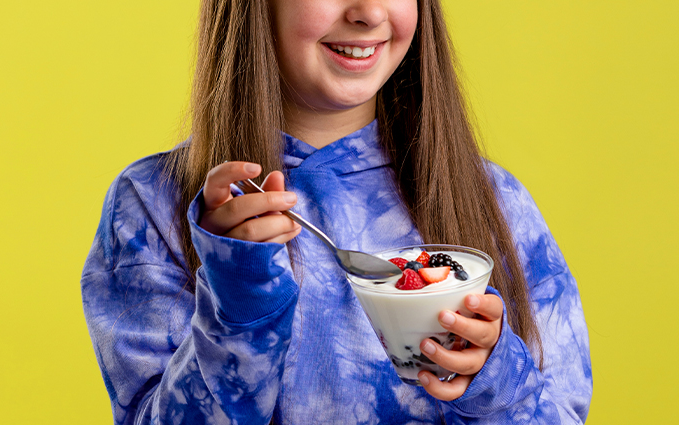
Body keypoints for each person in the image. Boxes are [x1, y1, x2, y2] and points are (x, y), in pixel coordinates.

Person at [81, 0, 592, 423]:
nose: (368, 12)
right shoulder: (154, 204)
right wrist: (238, 305)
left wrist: (496, 381)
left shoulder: (494, 201)